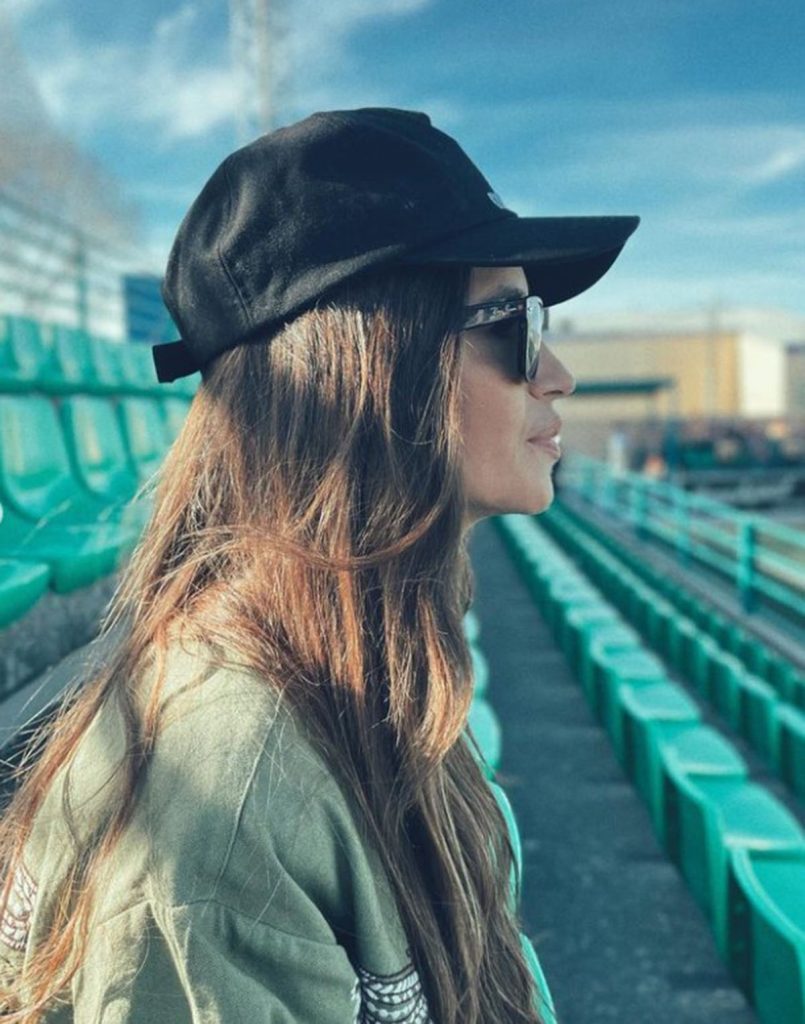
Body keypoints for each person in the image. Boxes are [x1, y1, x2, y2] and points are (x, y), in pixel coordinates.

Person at [0, 107, 638, 1023]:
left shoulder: (373, 666)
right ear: (361, 365)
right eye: (513, 322)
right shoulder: (217, 809)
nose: (560, 374)